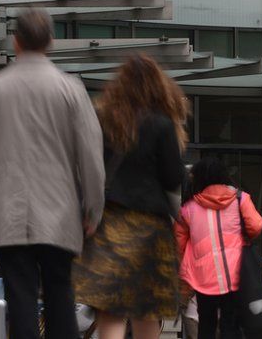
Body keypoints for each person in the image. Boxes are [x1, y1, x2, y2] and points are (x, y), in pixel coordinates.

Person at [0, 7, 105, 339]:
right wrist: (93, 210)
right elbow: (91, 156)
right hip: (60, 215)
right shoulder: (71, 89)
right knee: (60, 293)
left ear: (16, 41)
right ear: (50, 42)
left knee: (21, 297)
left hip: (9, 214)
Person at [73, 54, 188, 339]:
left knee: (111, 310)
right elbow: (174, 178)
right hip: (150, 228)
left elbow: (87, 168)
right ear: (157, 86)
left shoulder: (103, 121)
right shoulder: (161, 125)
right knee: (145, 310)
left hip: (109, 224)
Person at [176, 157, 262, 339]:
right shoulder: (240, 199)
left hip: (203, 277)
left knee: (206, 324)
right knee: (230, 324)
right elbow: (256, 226)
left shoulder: (188, 208)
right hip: (235, 274)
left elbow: (178, 243)